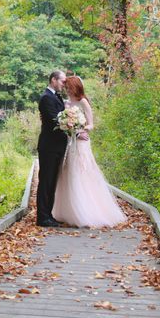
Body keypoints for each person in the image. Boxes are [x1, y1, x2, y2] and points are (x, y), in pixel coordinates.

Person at [52, 76, 126, 228]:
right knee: (69, 173)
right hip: (71, 142)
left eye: (69, 87)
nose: (67, 89)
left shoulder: (83, 101)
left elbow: (91, 124)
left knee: (82, 172)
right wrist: (69, 128)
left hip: (82, 143)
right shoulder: (66, 103)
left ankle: (87, 211)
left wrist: (80, 129)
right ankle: (69, 211)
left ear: (75, 87)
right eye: (65, 87)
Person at [36, 70, 74, 227]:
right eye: (62, 81)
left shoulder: (56, 96)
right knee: (46, 181)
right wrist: (71, 123)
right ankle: (42, 217)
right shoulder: (46, 98)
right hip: (49, 146)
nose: (64, 84)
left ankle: (48, 215)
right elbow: (54, 120)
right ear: (53, 80)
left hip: (58, 145)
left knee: (52, 182)